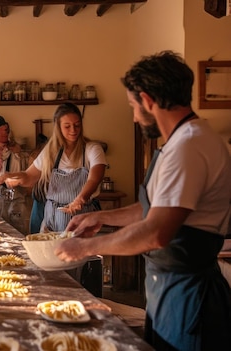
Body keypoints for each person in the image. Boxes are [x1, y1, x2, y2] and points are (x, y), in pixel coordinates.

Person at [56, 51, 231, 351]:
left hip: (190, 296)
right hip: (170, 288)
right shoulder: (183, 140)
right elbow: (155, 208)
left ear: (148, 100)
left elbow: (156, 231)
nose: (135, 117)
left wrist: (85, 247)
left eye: (133, 107)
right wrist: (101, 218)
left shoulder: (188, 146)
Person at [0, 103, 107, 232]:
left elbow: (94, 179)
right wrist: (9, 176)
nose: (73, 130)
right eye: (67, 126)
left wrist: (80, 199)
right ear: (58, 127)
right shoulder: (51, 152)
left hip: (82, 219)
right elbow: (29, 176)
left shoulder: (92, 149)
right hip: (52, 221)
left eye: (77, 125)